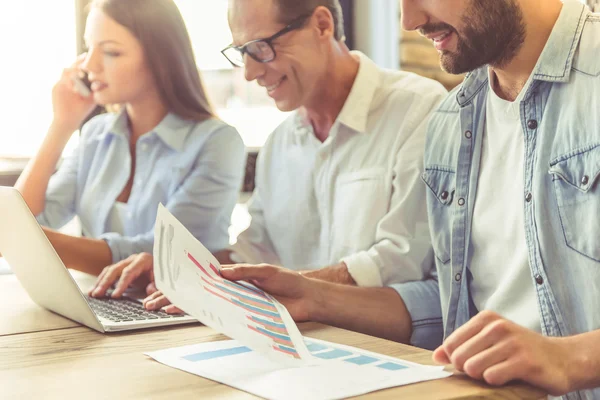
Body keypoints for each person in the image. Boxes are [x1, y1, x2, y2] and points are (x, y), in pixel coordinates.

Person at [217, 0, 600, 397]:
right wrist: (313, 296)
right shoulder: (452, 121)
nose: (410, 20)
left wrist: (571, 358)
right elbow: (444, 307)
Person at [89, 0, 446, 305]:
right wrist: (179, 267)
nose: (249, 73)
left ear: (322, 25)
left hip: (384, 350)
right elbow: (254, 251)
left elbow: (401, 259)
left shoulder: (416, 109)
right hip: (290, 339)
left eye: (261, 47)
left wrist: (249, 285)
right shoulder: (280, 143)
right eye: (242, 53)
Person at [15, 0, 245, 276]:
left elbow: (159, 252)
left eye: (111, 52)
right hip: (100, 299)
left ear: (160, 59)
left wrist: (21, 236)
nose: (90, 65)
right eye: (89, 48)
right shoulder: (95, 135)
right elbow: (33, 218)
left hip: (177, 310)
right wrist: (61, 125)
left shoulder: (217, 142)